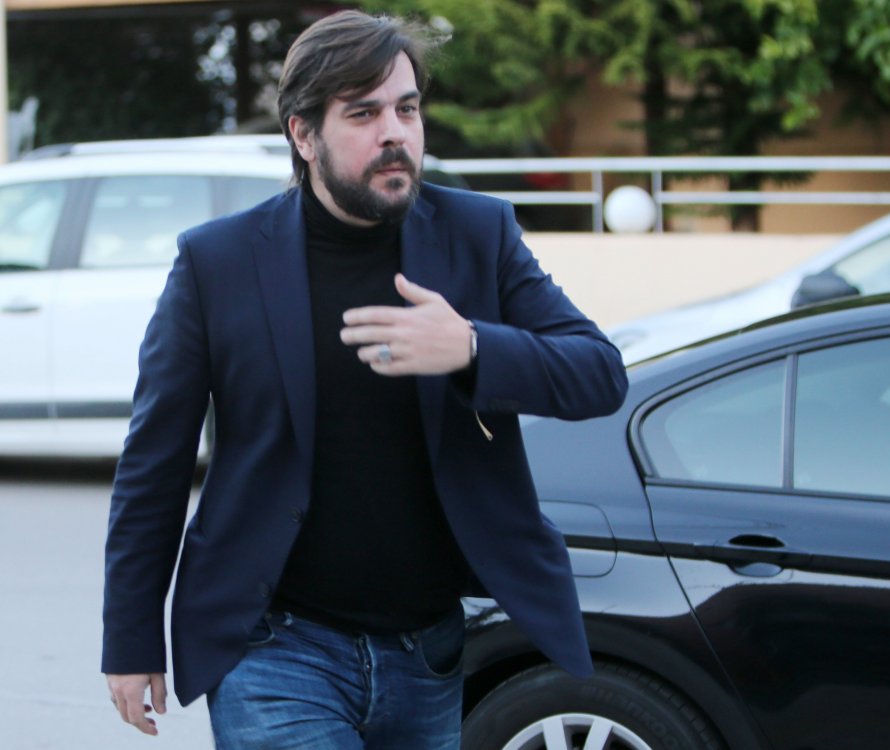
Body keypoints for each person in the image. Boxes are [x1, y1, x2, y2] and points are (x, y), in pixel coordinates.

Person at [102, 9, 627, 748]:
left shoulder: (478, 234)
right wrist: (130, 639)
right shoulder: (217, 263)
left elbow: (599, 374)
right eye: (363, 113)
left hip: (429, 650)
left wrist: (472, 347)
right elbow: (152, 463)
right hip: (274, 647)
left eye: (406, 109)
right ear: (303, 134)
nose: (395, 133)